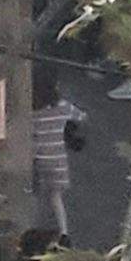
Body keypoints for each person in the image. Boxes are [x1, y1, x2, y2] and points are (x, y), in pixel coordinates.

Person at [26, 90, 84, 238]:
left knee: (33, 195)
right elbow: (81, 116)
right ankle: (64, 232)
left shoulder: (30, 110)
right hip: (57, 159)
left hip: (35, 158)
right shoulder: (63, 106)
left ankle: (30, 228)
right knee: (56, 196)